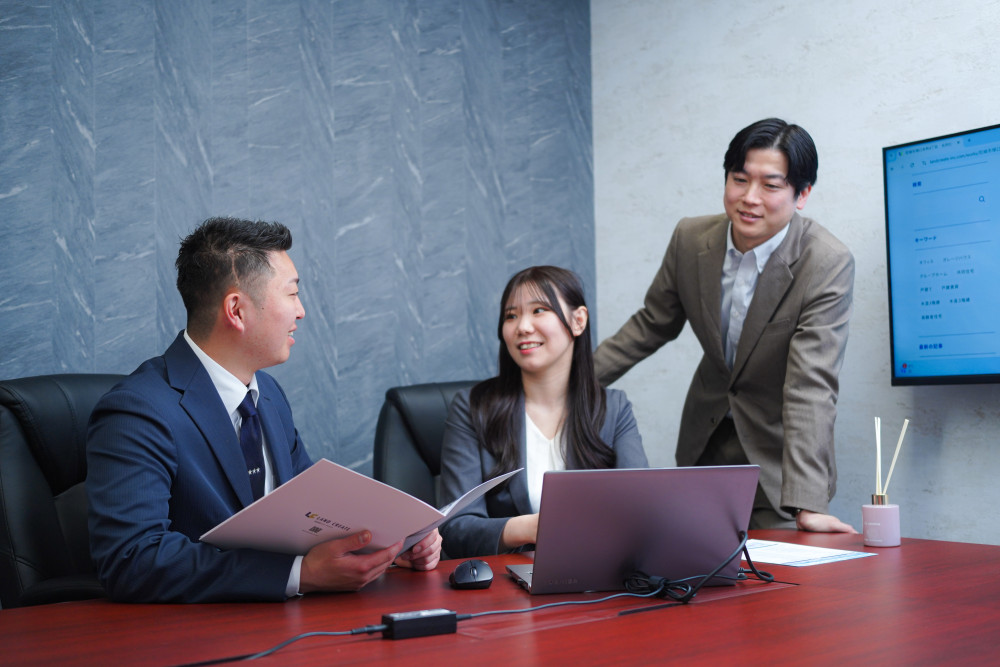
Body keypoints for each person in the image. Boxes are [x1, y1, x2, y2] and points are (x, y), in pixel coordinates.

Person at [87, 217, 441, 603]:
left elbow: (316, 510)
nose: (301, 311)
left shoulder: (267, 394)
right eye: (292, 294)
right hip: (197, 630)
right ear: (236, 311)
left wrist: (390, 542)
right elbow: (132, 559)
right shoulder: (137, 411)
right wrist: (299, 575)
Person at [594, 118, 857, 533]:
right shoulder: (690, 238)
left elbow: (811, 385)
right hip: (705, 446)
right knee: (692, 563)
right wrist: (566, 386)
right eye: (740, 179)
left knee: (777, 573)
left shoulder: (825, 262)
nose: (749, 198)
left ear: (802, 194)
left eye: (770, 185)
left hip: (779, 463)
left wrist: (808, 503)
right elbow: (651, 325)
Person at [439, 266, 648, 558]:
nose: (523, 327)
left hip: (595, 574)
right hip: (504, 581)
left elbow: (640, 511)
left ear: (578, 320)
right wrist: (532, 528)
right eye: (511, 316)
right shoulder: (473, 408)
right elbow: (455, 529)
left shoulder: (613, 409)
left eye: (539, 310)